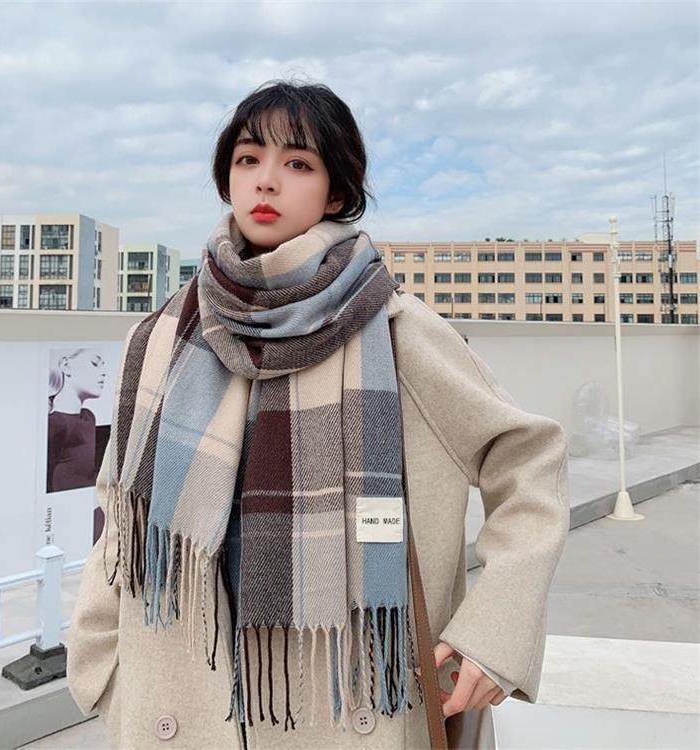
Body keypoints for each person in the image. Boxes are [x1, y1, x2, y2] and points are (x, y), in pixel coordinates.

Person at [66, 79, 570, 750]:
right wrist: (101, 664)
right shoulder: (161, 339)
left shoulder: (396, 332)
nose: (266, 181)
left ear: (335, 193)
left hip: (346, 707)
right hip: (176, 707)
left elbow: (529, 461)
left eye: (298, 163)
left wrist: (495, 632)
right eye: (248, 159)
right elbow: (120, 515)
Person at [47, 348, 106, 492]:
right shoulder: (55, 424)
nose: (104, 372)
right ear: (66, 365)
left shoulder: (88, 417)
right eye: (94, 363)